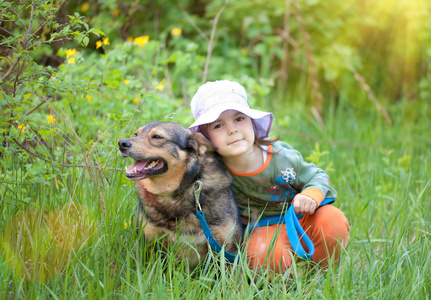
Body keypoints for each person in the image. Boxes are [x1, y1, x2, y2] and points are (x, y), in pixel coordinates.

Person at [188, 80, 350, 273]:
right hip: (260, 230)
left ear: (252, 123)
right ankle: (281, 282)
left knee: (332, 221)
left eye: (239, 119)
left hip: (299, 218)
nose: (232, 130)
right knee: (264, 254)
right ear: (205, 140)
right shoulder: (214, 172)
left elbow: (317, 177)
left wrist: (310, 195)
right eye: (218, 125)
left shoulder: (280, 158)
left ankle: (322, 272)